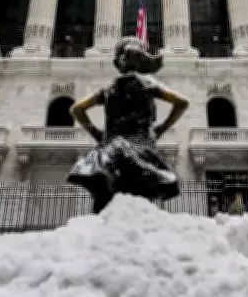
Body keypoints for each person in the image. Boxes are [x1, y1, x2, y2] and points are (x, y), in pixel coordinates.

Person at [67, 37, 189, 214]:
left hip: (110, 150)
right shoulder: (149, 85)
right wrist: (161, 129)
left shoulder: (108, 89)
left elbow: (77, 109)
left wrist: (96, 134)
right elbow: (182, 102)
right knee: (140, 204)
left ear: (119, 62)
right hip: (141, 150)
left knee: (105, 204)